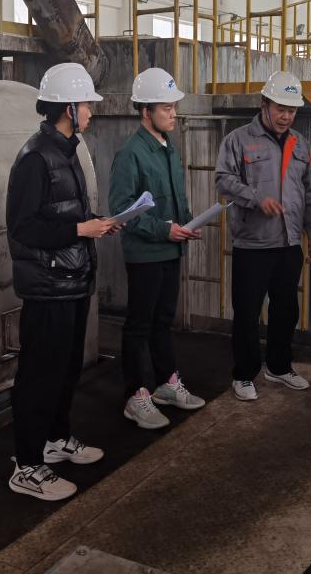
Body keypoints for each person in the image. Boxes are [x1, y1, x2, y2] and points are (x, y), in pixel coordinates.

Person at [5, 62, 118, 501]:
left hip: (71, 279)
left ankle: (54, 439)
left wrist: (96, 223)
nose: (91, 111)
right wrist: (79, 230)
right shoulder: (36, 158)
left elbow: (64, 213)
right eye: (86, 104)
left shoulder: (67, 152)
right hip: (48, 285)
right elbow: (23, 228)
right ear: (68, 108)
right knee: (39, 375)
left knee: (66, 369)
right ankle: (27, 466)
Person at [215, 70, 311, 402]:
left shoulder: (299, 142)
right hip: (253, 244)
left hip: (289, 243)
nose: (286, 116)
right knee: (248, 312)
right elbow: (223, 179)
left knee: (286, 309)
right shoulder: (238, 140)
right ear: (264, 104)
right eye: (280, 109)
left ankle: (278, 366)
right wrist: (255, 198)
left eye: (292, 110)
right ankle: (244, 374)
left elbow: (309, 190)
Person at [109, 68, 205, 430]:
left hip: (170, 251)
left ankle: (166, 383)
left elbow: (177, 199)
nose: (173, 114)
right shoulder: (130, 154)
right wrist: (166, 230)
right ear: (145, 111)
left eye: (174, 107)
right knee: (139, 325)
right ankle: (135, 396)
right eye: (167, 108)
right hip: (146, 254)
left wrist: (189, 223)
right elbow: (123, 211)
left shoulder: (169, 148)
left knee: (163, 322)